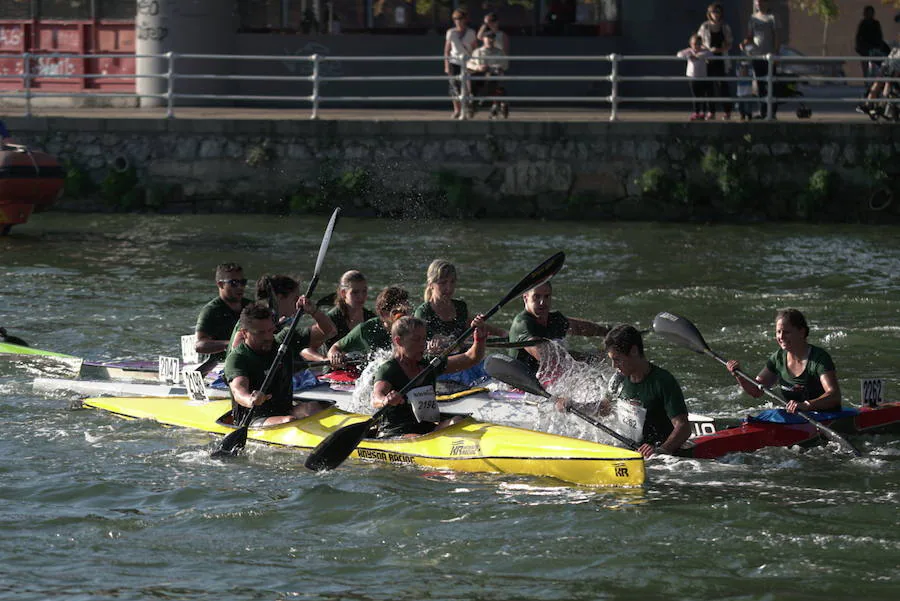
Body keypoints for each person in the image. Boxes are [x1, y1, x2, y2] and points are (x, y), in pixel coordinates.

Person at [557, 325, 690, 458]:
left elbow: (684, 427)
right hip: (631, 453)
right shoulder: (618, 379)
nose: (614, 366)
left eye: (617, 359)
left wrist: (660, 450)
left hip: (662, 459)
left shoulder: (662, 381)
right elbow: (604, 408)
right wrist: (576, 406)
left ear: (633, 351)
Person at [371, 314, 486, 437]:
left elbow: (470, 358)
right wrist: (385, 400)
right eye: (416, 339)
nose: (423, 344)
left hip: (427, 430)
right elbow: (375, 398)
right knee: (417, 437)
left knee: (457, 421)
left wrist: (480, 339)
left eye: (424, 339)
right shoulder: (389, 369)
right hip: (396, 433)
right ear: (398, 341)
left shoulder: (429, 364)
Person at [224, 303, 330, 428]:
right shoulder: (238, 358)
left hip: (286, 411)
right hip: (252, 419)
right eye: (260, 333)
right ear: (244, 333)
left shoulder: (283, 342)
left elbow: (328, 331)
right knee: (289, 421)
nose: (268, 337)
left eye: (270, 330)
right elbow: (238, 392)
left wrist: (314, 311)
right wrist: (251, 399)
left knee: (314, 407)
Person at [726, 308, 842, 415]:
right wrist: (739, 375)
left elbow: (834, 396)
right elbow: (757, 391)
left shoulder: (819, 358)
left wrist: (806, 405)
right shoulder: (778, 358)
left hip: (824, 416)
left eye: (786, 332)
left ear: (801, 332)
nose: (781, 337)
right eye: (778, 332)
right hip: (795, 417)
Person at [508, 281, 611, 374]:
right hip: (521, 384)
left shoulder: (554, 319)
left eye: (547, 296)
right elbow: (547, 359)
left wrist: (607, 332)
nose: (542, 302)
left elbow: (580, 328)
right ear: (525, 298)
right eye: (536, 297)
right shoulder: (522, 324)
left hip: (546, 377)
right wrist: (585, 361)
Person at [231, 274, 336, 360]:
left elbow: (330, 331)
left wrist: (314, 311)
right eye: (295, 298)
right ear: (279, 298)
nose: (298, 303)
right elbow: (237, 350)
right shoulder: (253, 320)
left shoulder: (278, 324)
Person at [414, 259, 506, 352]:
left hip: (466, 359)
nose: (449, 288)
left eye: (452, 282)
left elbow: (473, 324)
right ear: (431, 285)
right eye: (443, 283)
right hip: (442, 363)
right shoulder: (423, 313)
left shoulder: (460, 307)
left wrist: (502, 333)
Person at [327, 286, 412, 367]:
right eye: (399, 312)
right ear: (383, 313)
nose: (405, 317)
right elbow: (335, 347)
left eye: (407, 311)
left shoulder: (412, 327)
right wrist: (335, 356)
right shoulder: (365, 329)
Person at [195, 262, 252, 361]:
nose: (240, 287)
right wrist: (231, 344)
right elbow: (199, 345)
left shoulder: (251, 307)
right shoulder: (211, 311)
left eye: (243, 282)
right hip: (216, 362)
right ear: (220, 284)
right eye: (234, 283)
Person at [741, 0, 779, 119]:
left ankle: (771, 112)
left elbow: (777, 36)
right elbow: (750, 36)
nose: (759, 4)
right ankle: (763, 112)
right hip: (757, 56)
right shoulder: (753, 18)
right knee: (760, 85)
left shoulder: (772, 17)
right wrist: (744, 43)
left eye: (761, 2)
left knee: (770, 84)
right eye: (757, 2)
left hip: (769, 56)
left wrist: (776, 53)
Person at [697, 2, 734, 120]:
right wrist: (707, 50)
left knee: (723, 86)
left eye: (718, 12)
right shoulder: (705, 27)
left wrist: (720, 49)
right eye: (714, 12)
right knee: (709, 87)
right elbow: (699, 42)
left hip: (721, 60)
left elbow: (729, 43)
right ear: (709, 14)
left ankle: (727, 111)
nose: (716, 15)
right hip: (708, 60)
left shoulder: (725, 27)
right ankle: (711, 111)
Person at [466, 31, 510, 119]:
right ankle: (473, 104)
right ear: (483, 39)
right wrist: (477, 67)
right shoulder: (477, 52)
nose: (490, 40)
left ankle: (494, 107)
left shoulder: (499, 52)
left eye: (492, 38)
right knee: (470, 77)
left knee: (495, 81)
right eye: (488, 38)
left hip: (493, 78)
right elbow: (469, 63)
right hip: (480, 78)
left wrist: (492, 67)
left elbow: (505, 65)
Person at [444, 9, 477, 120]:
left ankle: (467, 108)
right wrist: (447, 65)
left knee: (467, 88)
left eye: (460, 18)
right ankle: (457, 110)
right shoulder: (451, 32)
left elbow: (475, 48)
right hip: (454, 62)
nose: (458, 21)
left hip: (467, 63)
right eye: (455, 19)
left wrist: (475, 62)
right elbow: (447, 50)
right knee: (454, 87)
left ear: (465, 19)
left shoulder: (471, 33)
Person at [677, 34, 715, 121]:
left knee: (703, 95)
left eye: (698, 43)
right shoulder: (689, 51)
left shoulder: (704, 51)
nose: (696, 46)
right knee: (695, 96)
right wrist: (689, 55)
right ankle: (696, 112)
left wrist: (699, 56)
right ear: (691, 44)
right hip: (692, 77)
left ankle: (703, 112)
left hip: (702, 77)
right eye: (695, 44)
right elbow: (679, 54)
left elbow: (711, 55)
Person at [855, 5, 889, 85]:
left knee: (876, 64)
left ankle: (875, 81)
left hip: (875, 48)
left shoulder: (876, 23)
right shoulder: (863, 24)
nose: (869, 14)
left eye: (871, 12)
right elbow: (859, 37)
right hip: (865, 48)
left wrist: (879, 47)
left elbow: (879, 36)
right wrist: (860, 48)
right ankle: (866, 81)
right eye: (867, 12)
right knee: (865, 64)